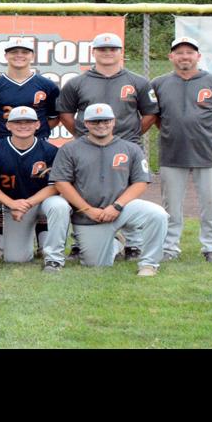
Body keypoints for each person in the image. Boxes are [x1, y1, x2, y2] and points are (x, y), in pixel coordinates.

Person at [56, 31, 159, 259]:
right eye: (102, 49)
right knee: (85, 190)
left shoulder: (138, 81)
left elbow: (150, 113)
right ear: (94, 52)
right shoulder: (77, 82)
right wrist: (83, 134)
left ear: (121, 52)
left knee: (130, 191)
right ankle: (79, 241)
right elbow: (65, 112)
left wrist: (129, 136)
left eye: (113, 49)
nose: (107, 53)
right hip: (89, 145)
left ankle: (133, 242)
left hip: (127, 144)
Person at [49, 103, 168, 276]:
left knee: (158, 214)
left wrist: (117, 206)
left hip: (122, 209)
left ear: (113, 122)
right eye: (95, 122)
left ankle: (149, 264)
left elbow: (141, 182)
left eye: (105, 120)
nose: (101, 125)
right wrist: (88, 210)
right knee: (95, 264)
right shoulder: (70, 149)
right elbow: (61, 183)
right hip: (88, 216)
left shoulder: (131, 148)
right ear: (86, 124)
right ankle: (116, 243)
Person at [150, 36, 212, 263]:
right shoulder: (159, 84)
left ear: (198, 56)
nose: (184, 56)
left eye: (189, 52)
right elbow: (157, 118)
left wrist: (209, 135)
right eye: (179, 52)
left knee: (211, 203)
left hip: (208, 154)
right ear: (171, 57)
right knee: (171, 206)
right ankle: (170, 248)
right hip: (172, 153)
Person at [0, 106, 72, 273]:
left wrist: (27, 203)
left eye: (28, 122)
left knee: (60, 205)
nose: (23, 126)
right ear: (8, 125)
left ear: (38, 125)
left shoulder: (50, 150)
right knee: (17, 259)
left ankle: (54, 258)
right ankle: (20, 237)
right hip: (10, 204)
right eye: (17, 122)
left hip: (42, 203)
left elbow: (55, 185)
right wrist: (12, 204)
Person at [0, 37, 60, 141]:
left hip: (39, 142)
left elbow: (54, 118)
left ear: (32, 56)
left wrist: (35, 133)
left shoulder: (48, 85)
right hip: (4, 142)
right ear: (6, 56)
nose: (19, 55)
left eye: (25, 52)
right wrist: (2, 136)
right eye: (14, 52)